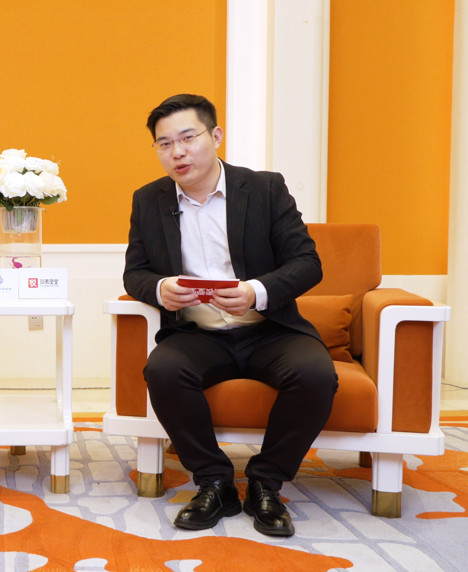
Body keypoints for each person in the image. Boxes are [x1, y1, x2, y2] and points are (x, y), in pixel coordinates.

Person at [124, 94, 338, 537]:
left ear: (216, 136)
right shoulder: (148, 200)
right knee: (162, 370)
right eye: (165, 143)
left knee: (316, 375)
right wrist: (161, 289)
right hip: (197, 333)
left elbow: (307, 262)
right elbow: (135, 273)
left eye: (188, 137)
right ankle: (215, 482)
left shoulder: (264, 189)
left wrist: (256, 292)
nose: (177, 152)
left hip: (269, 329)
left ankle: (266, 482)